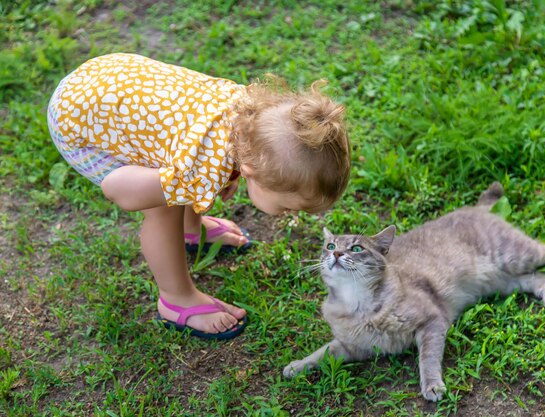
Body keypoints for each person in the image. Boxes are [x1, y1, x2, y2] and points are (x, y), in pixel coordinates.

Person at [47, 53, 351, 340]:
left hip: (105, 79)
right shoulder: (196, 167)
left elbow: (200, 166)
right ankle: (176, 299)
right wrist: (160, 191)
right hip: (78, 121)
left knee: (182, 186)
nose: (287, 215)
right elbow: (121, 191)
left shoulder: (250, 122)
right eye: (286, 208)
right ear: (250, 170)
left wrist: (204, 183)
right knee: (163, 208)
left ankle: (190, 231)